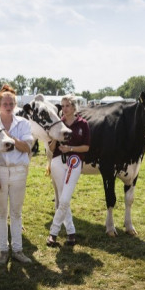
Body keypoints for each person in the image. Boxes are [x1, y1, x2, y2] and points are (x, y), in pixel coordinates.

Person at [0, 84, 33, 265]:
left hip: (19, 172)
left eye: (11, 102)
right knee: (1, 213)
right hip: (0, 172)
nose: (8, 105)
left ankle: (18, 250)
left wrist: (8, 136)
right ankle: (3, 251)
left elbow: (27, 148)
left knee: (17, 213)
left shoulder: (23, 123)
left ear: (15, 104)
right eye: (5, 103)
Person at [46, 95, 90, 247]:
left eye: (66, 106)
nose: (63, 109)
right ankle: (71, 233)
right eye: (62, 106)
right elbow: (51, 149)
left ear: (73, 107)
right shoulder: (59, 123)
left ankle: (53, 232)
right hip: (58, 162)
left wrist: (70, 148)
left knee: (64, 200)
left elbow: (86, 147)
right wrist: (56, 138)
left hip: (75, 163)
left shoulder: (82, 124)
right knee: (63, 197)